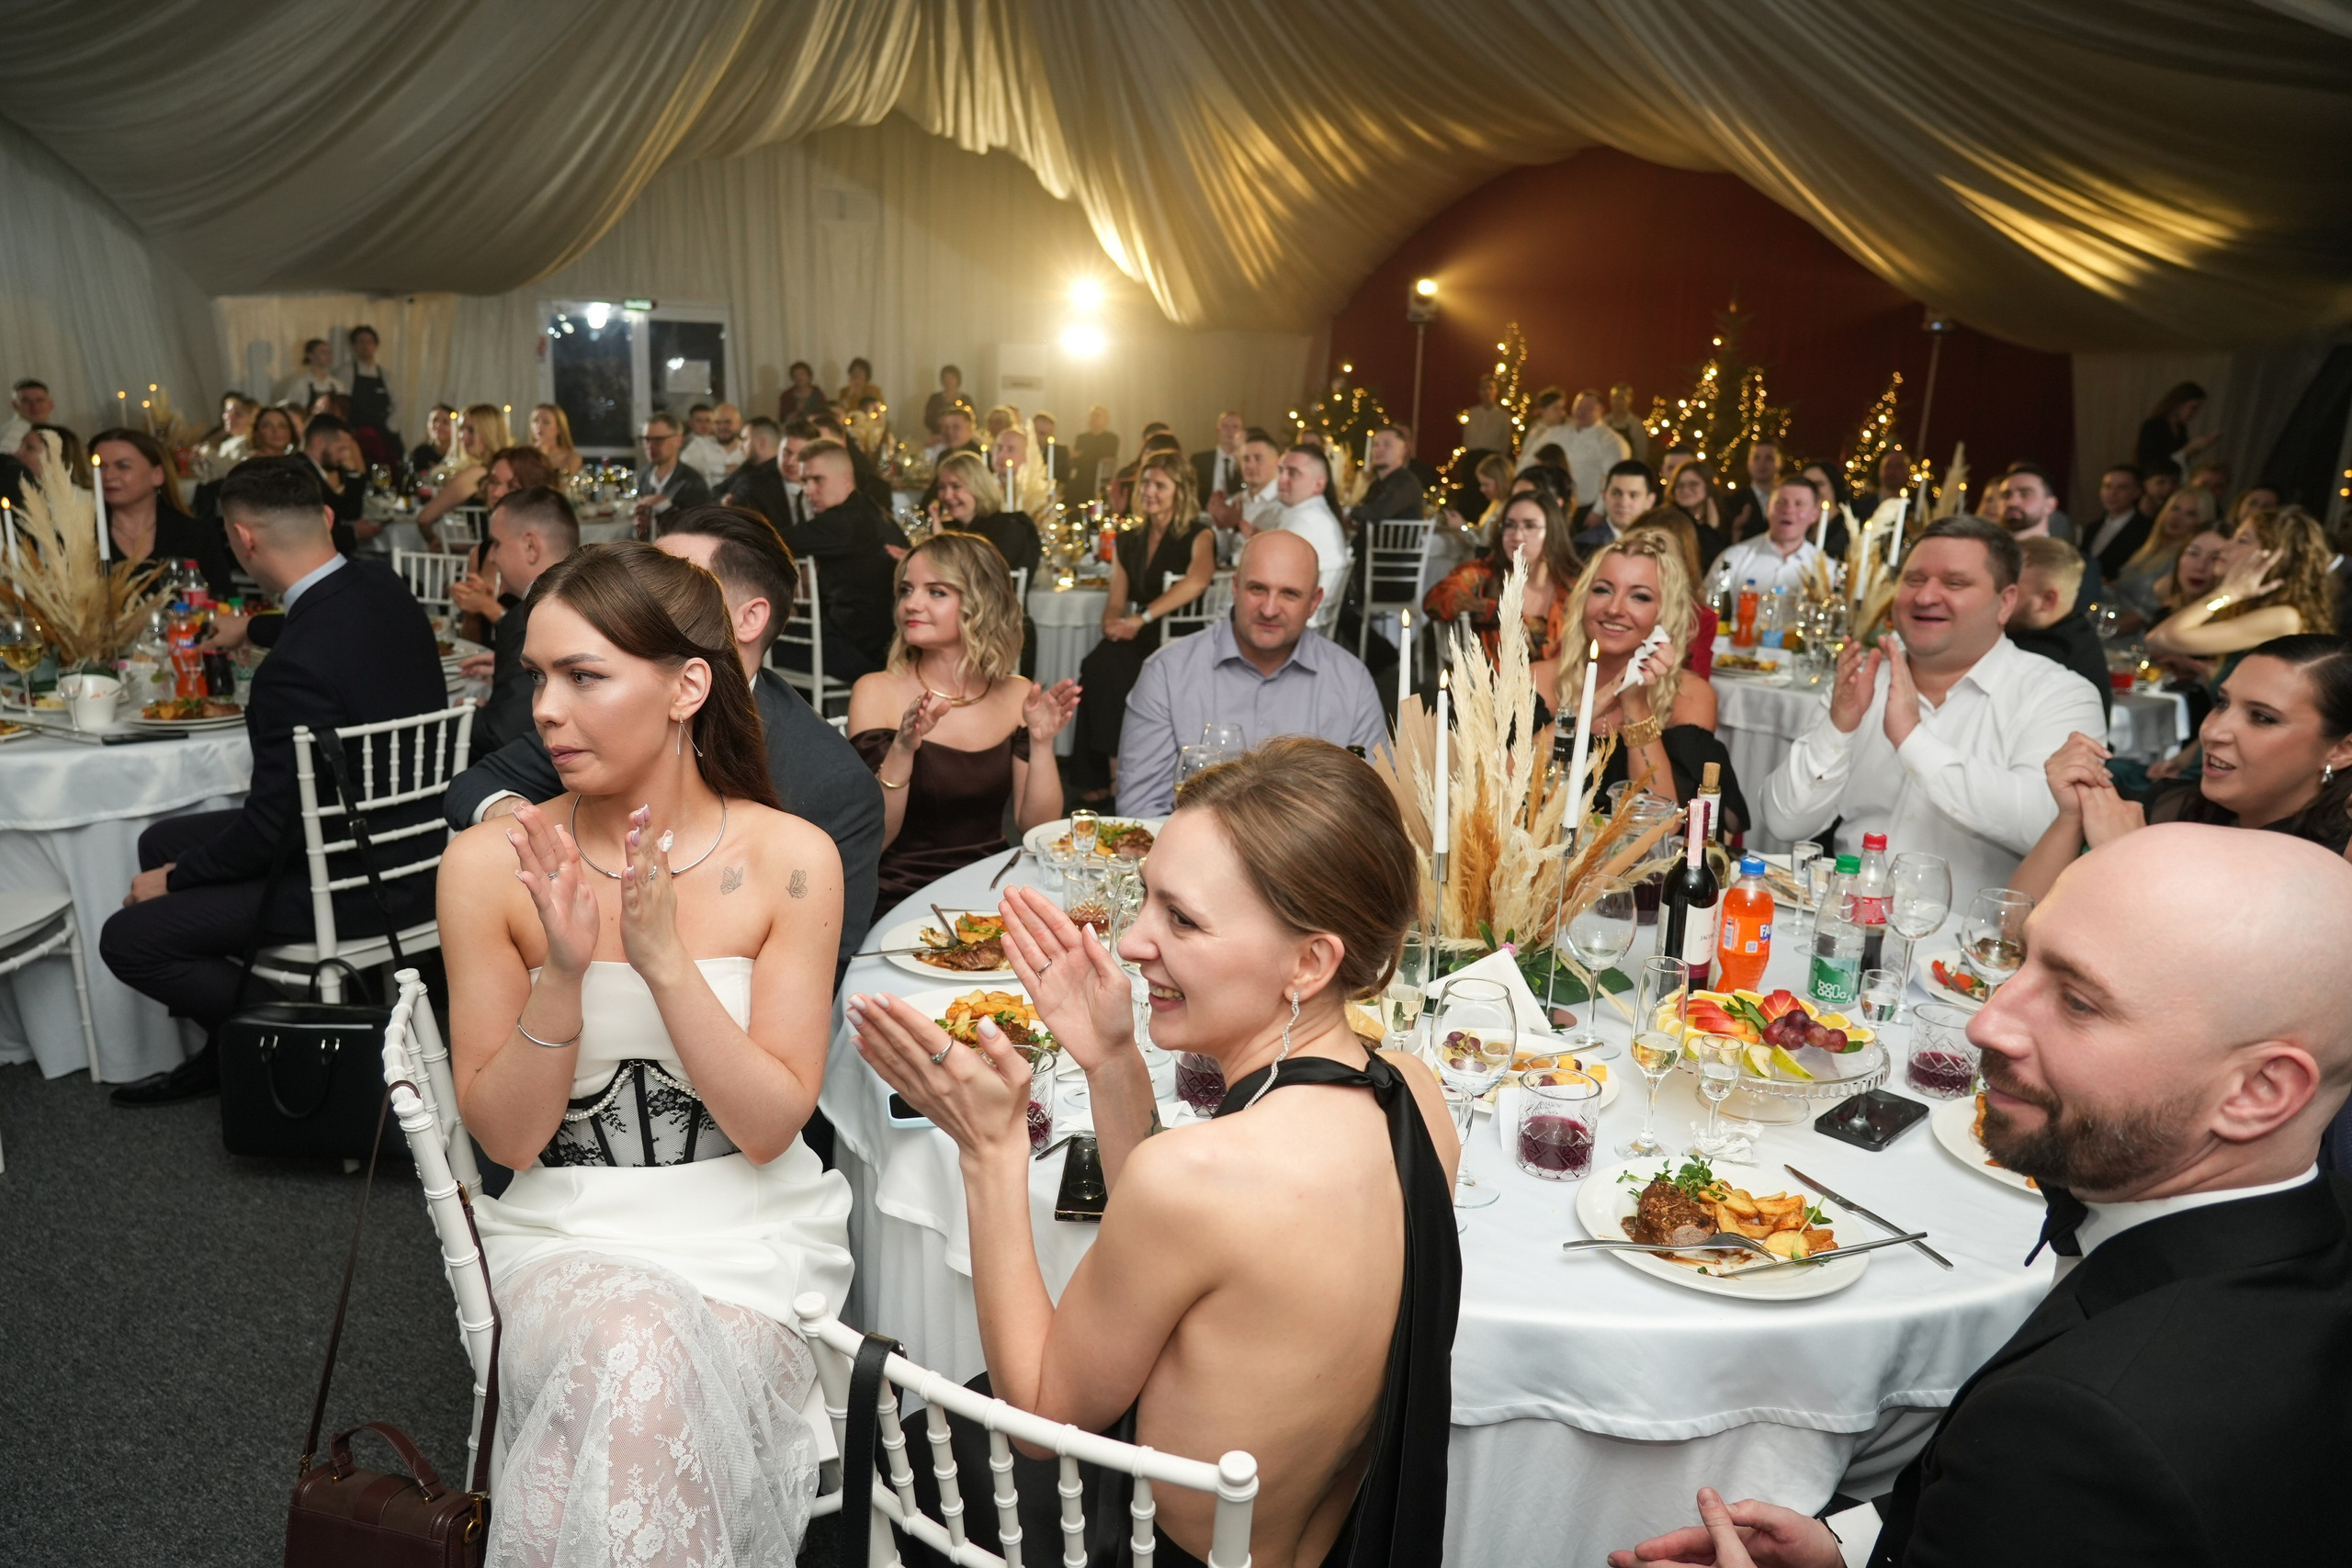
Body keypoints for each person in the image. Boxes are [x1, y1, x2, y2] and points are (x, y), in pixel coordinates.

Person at [1610, 822, 2352, 1568]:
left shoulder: (2084, 1431)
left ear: (2259, 1092)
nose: (1984, 1022)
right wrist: (1852, 1545)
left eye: (2079, 1001)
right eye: (2025, 960)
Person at [848, 737, 1460, 1568]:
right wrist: (1111, 1058)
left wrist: (988, 1150)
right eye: (1146, 902)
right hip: (1318, 1544)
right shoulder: (1416, 1098)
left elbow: (1037, 1414)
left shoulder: (1200, 1178)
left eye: (1182, 918)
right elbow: (1204, 1250)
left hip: (1141, 1547)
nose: (1132, 942)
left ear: (1310, 962)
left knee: (892, 1441)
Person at [439, 543, 854, 1564]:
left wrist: (667, 964)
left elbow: (767, 1131)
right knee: (640, 1345)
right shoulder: (490, 866)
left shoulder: (791, 862)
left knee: (627, 1403)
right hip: (565, 1236)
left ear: (687, 687)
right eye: (537, 676)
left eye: (584, 676)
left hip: (754, 1244)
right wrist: (565, 974)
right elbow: (509, 1136)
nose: (543, 708)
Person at [102, 458, 447, 1107]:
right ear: (323, 518)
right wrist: (256, 627)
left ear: (244, 540)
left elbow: (265, 834)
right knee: (161, 838)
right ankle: (225, 1047)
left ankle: (300, 1033)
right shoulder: (383, 587)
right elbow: (316, 620)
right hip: (420, 848)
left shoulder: (290, 673)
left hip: (352, 880)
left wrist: (174, 881)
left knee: (129, 936)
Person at [446, 506, 885, 972]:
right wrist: (538, 836)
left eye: (680, 581)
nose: (640, 594)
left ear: (749, 619)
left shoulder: (831, 784)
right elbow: (475, 785)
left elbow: (826, 975)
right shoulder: (600, 722)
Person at [1760, 516, 2108, 900]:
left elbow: (2043, 823)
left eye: (1955, 583)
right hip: (1846, 921)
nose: (1924, 597)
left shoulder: (2059, 695)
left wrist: (1913, 739)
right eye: (1913, 580)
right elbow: (1785, 821)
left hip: (1976, 942)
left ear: (2005, 602)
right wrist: (1838, 729)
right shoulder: (1866, 679)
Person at [2011, 637, 2352, 908]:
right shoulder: (2172, 807)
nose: (2213, 731)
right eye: (2221, 703)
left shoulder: (2334, 868)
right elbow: (2009, 932)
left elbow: (2213, 983)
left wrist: (2131, 858)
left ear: (2342, 750)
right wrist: (2071, 816)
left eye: (2262, 718)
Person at [847, 532, 1078, 918]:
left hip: (990, 891)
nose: (912, 604)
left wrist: (1041, 742)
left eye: (936, 592)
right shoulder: (875, 692)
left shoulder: (1016, 694)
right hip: (900, 898)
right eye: (906, 590)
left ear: (980, 604)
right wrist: (903, 747)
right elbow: (876, 838)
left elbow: (1038, 829)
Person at [1117, 531, 1388, 818]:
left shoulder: (1351, 682)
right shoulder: (1168, 673)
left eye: (1289, 594)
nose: (1269, 610)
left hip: (1313, 862)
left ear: (1314, 602)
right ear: (1234, 587)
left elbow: (1372, 812)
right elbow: (1140, 810)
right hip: (1196, 861)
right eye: (1257, 589)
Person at [1538, 531, 1736, 825]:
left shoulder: (1691, 696)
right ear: (1583, 598)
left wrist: (1635, 704)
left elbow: (1662, 830)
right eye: (1603, 590)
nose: (1615, 609)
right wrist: (1597, 702)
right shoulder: (1538, 679)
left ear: (1664, 613)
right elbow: (1499, 788)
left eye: (1640, 596)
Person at [1072, 453, 1218, 800]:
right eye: (1146, 484)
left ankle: (1120, 777)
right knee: (1098, 662)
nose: (1149, 491)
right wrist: (1111, 621)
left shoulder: (1199, 534)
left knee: (1118, 665)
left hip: (1181, 633)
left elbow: (1198, 581)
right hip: (1139, 632)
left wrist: (1141, 619)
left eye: (1160, 485)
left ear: (1179, 491)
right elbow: (1116, 598)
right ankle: (1110, 772)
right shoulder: (1129, 539)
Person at [772, 437, 908, 682]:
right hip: (872, 643)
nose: (808, 490)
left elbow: (771, 540)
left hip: (863, 652)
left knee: (747, 643)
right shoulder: (869, 512)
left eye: (817, 480)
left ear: (846, 478)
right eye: (805, 481)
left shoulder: (846, 523)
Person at [2147, 503, 2337, 667]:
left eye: (2242, 540)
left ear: (2272, 556)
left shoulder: (2283, 616)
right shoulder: (2256, 606)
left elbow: (2161, 639)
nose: (2225, 546)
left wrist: (2227, 593)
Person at [470, 486, 580, 752]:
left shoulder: (528, 619)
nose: (492, 557)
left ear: (531, 546)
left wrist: (464, 715)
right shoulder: (592, 601)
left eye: (496, 544)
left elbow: (502, 735)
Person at [1423, 490, 1578, 667]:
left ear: (1552, 532)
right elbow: (1435, 600)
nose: (1517, 536)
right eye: (1510, 525)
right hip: (1490, 690)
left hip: (1558, 690)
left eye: (1530, 526)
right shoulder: (1482, 574)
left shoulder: (1570, 587)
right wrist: (1497, 612)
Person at [89, 427, 238, 597]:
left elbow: (223, 598)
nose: (108, 476)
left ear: (157, 475)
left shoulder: (194, 534)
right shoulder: (81, 537)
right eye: (100, 467)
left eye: (123, 466)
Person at [2007, 537, 2111, 719]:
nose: (1994, 595)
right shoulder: (2075, 630)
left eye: (2010, 589)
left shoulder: (2049, 660)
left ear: (2048, 600)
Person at [2110, 482, 2218, 628]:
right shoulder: (2148, 548)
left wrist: (2101, 631)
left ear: (2202, 522)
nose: (2177, 517)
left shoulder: (2182, 561)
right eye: (2175, 509)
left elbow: (2144, 615)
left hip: (2131, 638)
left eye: (2191, 514)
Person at [933, 450, 1042, 583]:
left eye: (956, 486)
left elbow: (980, 576)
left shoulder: (1010, 528)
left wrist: (940, 543)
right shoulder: (951, 528)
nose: (947, 496)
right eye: (941, 487)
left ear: (978, 487)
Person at [1268, 443, 1352, 614]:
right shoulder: (1309, 513)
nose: (1282, 479)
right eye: (1281, 471)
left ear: (1319, 485)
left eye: (1293, 473)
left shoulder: (1307, 521)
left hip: (1295, 618)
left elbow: (1271, 573)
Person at [1709, 479, 1826, 594]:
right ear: (1767, 508)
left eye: (1799, 504)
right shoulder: (1733, 558)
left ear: (1815, 515)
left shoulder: (1826, 571)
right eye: (1781, 502)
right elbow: (1707, 606)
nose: (1789, 510)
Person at [415, 402, 512, 543]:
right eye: (461, 429)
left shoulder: (477, 473)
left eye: (471, 430)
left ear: (488, 432)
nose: (462, 436)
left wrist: (433, 542)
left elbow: (424, 518)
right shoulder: (510, 467)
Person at [297, 411, 369, 550]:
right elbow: (308, 530)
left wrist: (352, 472)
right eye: (341, 448)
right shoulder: (300, 473)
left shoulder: (316, 470)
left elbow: (350, 512)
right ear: (318, 442)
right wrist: (353, 533)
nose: (345, 456)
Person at [630, 411, 711, 533]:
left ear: (678, 440)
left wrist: (665, 507)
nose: (650, 446)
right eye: (646, 439)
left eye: (658, 439)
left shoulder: (693, 483)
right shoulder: (644, 475)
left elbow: (699, 530)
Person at [2136, 378, 2217, 482]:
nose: (2196, 414)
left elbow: (2181, 458)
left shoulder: (2181, 429)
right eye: (2193, 408)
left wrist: (2197, 448)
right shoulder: (2153, 426)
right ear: (2178, 404)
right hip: (2157, 482)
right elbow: (2151, 462)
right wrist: (2190, 448)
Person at [2082, 463, 2149, 580]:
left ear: (2137, 492)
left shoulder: (2146, 529)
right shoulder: (2092, 528)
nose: (2112, 493)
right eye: (2107, 486)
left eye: (2122, 488)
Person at [1576, 458, 1658, 551]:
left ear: (1650, 501)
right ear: (1604, 496)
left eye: (1633, 495)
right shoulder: (1583, 545)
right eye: (1616, 493)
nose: (1623, 503)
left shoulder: (1659, 545)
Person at [344, 324, 399, 465]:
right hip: (356, 434)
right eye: (361, 342)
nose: (365, 346)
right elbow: (342, 404)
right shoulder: (346, 372)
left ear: (376, 346)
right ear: (354, 346)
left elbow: (397, 405)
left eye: (369, 342)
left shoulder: (386, 375)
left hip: (383, 432)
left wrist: (390, 428)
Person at [715, 415, 786, 518]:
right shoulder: (747, 467)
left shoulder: (776, 476)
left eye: (745, 439)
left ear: (762, 443)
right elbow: (716, 490)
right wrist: (723, 501)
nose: (740, 445)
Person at [1664, 457, 1728, 570]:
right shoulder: (1667, 521)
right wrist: (1709, 530)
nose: (1686, 490)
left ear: (1708, 486)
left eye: (1693, 484)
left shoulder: (1725, 516)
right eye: (1680, 485)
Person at [1723, 437, 1784, 543]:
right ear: (1748, 463)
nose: (1762, 464)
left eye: (1769, 458)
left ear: (1780, 463)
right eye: (1756, 458)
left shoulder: (1787, 500)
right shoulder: (1733, 502)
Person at [191, 392, 258, 482]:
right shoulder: (227, 443)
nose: (229, 417)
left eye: (238, 414)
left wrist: (208, 452)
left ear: (252, 420)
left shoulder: (248, 444)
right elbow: (212, 476)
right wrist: (198, 464)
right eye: (227, 411)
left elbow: (232, 472)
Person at [684, 400, 747, 487]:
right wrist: (722, 469)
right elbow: (686, 463)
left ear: (739, 424)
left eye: (728, 422)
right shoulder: (700, 443)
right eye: (717, 422)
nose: (722, 427)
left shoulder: (748, 449)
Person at [277, 337, 345, 412]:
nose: (328, 356)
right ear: (310, 356)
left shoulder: (337, 384)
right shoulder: (300, 384)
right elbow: (290, 409)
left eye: (329, 352)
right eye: (323, 352)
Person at [1514, 387, 1572, 474]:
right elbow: (1527, 456)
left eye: (1562, 408)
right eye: (1556, 408)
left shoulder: (1565, 431)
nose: (1561, 413)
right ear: (1542, 410)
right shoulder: (1535, 430)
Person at [1069, 403, 1119, 504]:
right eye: (1092, 415)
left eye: (1097, 415)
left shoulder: (1111, 439)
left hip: (1099, 480)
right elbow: (1075, 458)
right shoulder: (1082, 438)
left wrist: (1083, 455)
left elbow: (1108, 458)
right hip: (1081, 477)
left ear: (1106, 419)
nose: (1093, 418)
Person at [526, 401, 584, 479]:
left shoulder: (571, 457)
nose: (539, 426)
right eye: (535, 421)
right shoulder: (525, 456)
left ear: (559, 428)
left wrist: (544, 458)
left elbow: (565, 485)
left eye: (546, 422)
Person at [1461, 373, 1514, 456]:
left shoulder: (1503, 417)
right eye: (1483, 388)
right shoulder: (1472, 413)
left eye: (1490, 388)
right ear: (1479, 391)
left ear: (1496, 391)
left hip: (1491, 457)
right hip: (1472, 457)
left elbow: (1505, 443)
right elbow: (1466, 438)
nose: (1487, 392)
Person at [1, 378, 52, 451]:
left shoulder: (43, 430)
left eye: (40, 400)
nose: (35, 407)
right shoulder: (12, 434)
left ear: (50, 405)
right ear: (15, 405)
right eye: (26, 401)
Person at [1603, 382, 1649, 464]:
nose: (1617, 401)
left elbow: (1641, 454)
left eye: (1621, 398)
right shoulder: (1604, 422)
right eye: (1614, 398)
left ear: (1630, 400)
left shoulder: (1636, 424)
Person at [408, 402, 456, 479]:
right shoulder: (420, 454)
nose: (438, 426)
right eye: (435, 420)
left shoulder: (461, 457)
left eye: (445, 422)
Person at [777, 359, 826, 423]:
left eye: (802, 374)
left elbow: (825, 415)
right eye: (796, 375)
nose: (799, 377)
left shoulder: (818, 394)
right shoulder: (786, 395)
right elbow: (783, 420)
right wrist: (797, 411)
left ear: (809, 376)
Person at [922, 365, 965, 434]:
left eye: (951, 378)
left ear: (957, 380)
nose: (948, 381)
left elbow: (971, 419)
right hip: (939, 436)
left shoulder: (965, 399)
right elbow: (928, 420)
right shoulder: (934, 398)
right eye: (946, 378)